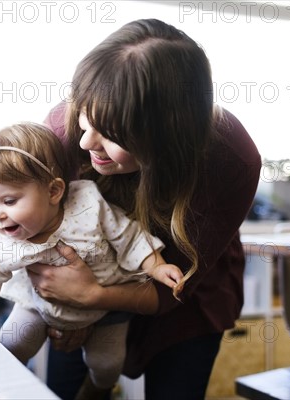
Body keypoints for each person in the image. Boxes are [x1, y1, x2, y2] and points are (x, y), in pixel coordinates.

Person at [26, 19, 262, 399]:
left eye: (113, 133)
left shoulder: (231, 160)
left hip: (189, 303)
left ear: (169, 136)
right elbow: (31, 234)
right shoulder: (64, 133)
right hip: (77, 279)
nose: (88, 141)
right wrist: (73, 303)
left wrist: (95, 296)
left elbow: (175, 289)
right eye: (86, 117)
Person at [0, 123, 184, 399]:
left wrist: (156, 265)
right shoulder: (7, 242)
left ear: (54, 191)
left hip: (108, 304)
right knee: (12, 342)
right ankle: (1, 387)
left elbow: (128, 236)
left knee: (107, 365)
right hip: (39, 303)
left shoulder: (88, 204)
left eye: (9, 201)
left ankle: (100, 389)